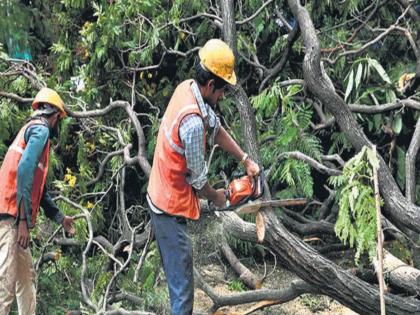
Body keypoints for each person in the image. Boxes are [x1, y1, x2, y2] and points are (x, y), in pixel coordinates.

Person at [147, 39, 260, 315]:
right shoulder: (193, 123)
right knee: (184, 288)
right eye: (222, 91)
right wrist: (220, 197)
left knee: (180, 279)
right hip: (167, 207)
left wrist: (245, 160)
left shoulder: (188, 88)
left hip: (162, 194)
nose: (222, 97)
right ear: (211, 85)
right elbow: (198, 182)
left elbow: (216, 127)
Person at [0, 87, 75, 315]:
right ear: (54, 116)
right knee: (5, 284)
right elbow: (23, 171)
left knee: (26, 281)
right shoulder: (41, 130)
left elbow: (37, 190)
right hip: (11, 218)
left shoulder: (32, 131)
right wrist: (23, 221)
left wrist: (60, 218)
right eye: (59, 119)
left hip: (14, 216)